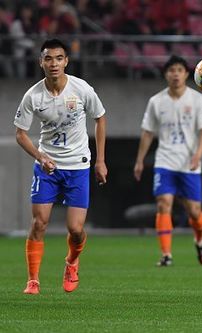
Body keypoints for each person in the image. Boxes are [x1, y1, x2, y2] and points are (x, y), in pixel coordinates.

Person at [14, 39, 108, 295]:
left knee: (76, 230)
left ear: (66, 61)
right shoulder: (33, 96)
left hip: (78, 166)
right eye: (48, 58)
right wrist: (40, 156)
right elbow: (20, 134)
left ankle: (72, 261)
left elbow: (100, 118)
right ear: (41, 62)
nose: (53, 63)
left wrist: (100, 160)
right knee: (39, 223)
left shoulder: (81, 89)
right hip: (47, 168)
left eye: (58, 58)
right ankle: (33, 280)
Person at [134, 55, 202, 267]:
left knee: (194, 211)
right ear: (166, 74)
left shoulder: (197, 99)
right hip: (164, 161)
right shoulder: (156, 101)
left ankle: (200, 240)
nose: (175, 73)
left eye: (179, 70)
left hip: (189, 162)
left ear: (186, 74)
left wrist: (198, 154)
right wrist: (140, 160)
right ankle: (166, 254)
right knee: (163, 204)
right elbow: (147, 132)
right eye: (171, 70)